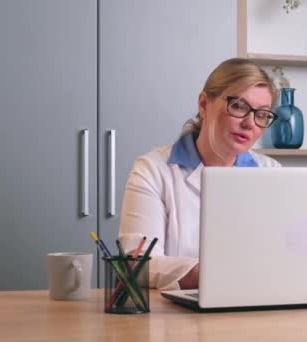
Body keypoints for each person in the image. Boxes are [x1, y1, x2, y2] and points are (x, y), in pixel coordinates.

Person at [119, 58, 281, 290]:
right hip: (176, 317)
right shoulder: (153, 170)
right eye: (238, 106)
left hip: (253, 309)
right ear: (204, 104)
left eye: (262, 114)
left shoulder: (272, 174)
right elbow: (137, 263)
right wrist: (211, 273)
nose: (249, 123)